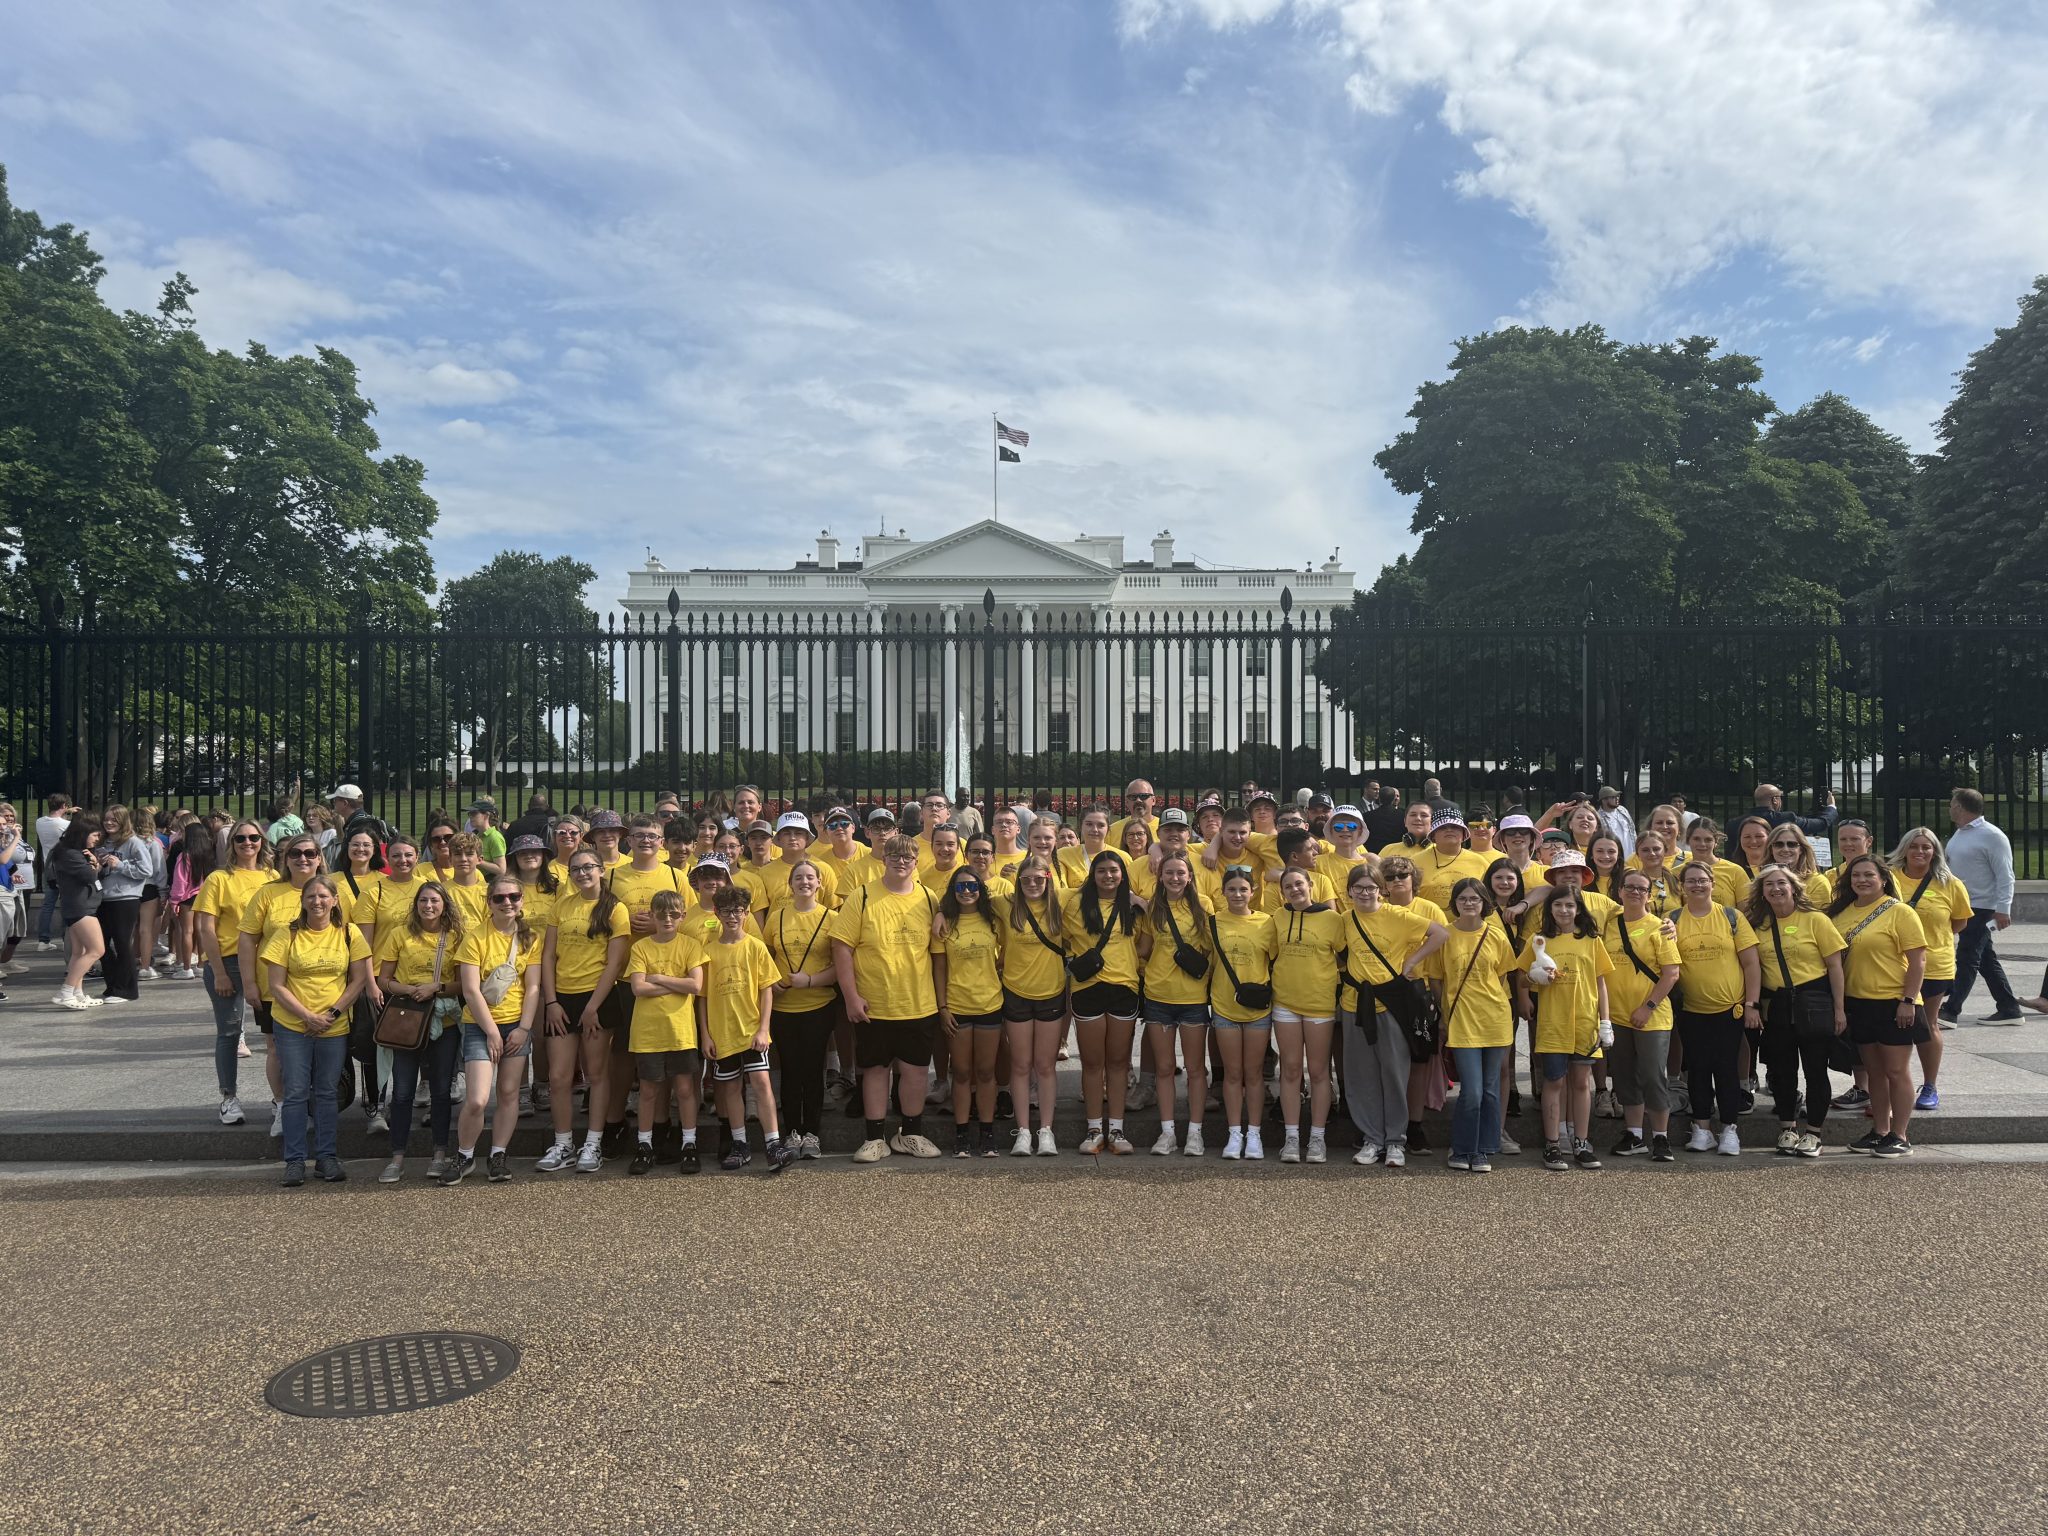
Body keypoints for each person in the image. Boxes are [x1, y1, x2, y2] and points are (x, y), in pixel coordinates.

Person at [831, 834, 944, 1163]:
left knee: (916, 1072)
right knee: (875, 1070)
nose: (900, 861)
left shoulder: (928, 897)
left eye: (908, 857)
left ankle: (910, 1133)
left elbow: (937, 955)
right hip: (875, 1002)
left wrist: (940, 1002)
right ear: (884, 858)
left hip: (917, 1002)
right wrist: (851, 997)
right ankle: (875, 1137)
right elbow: (841, 946)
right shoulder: (862, 895)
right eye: (894, 855)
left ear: (916, 862)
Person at [263, 874, 371, 1185]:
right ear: (303, 901)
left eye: (324, 896)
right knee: (295, 1092)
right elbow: (276, 985)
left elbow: (358, 980)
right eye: (311, 896)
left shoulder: (349, 933)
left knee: (326, 1093)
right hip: (293, 1024)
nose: (317, 901)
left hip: (333, 1025)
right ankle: (294, 1160)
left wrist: (332, 1013)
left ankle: (326, 1157)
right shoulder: (287, 935)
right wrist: (309, 1016)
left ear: (335, 900)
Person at [1339, 865, 1447, 1169]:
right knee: (1362, 1075)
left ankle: (1396, 1140)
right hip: (1355, 1003)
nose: (1364, 892)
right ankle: (1372, 1137)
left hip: (1391, 1005)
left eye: (1370, 887)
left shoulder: (1396, 916)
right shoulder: (1345, 920)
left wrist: (1411, 961)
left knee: (1395, 1074)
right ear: (1349, 891)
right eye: (1357, 887)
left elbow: (1440, 933)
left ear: (1380, 890)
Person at [442, 874, 544, 1185]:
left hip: (516, 1022)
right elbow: (471, 990)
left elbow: (534, 986)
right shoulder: (475, 937)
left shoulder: (530, 938)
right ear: (489, 903)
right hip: (480, 1024)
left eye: (513, 897)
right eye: (499, 898)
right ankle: (465, 1154)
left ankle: (498, 1153)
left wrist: (524, 1028)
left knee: (510, 1092)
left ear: (521, 901)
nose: (507, 903)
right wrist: (491, 1031)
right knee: (476, 1099)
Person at [535, 848, 632, 1173]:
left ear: (601, 870)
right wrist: (550, 1002)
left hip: (598, 998)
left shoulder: (615, 909)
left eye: (588, 867)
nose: (581, 873)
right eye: (575, 869)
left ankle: (593, 1142)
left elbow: (615, 962)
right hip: (561, 998)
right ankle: (563, 1144)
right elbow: (548, 956)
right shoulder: (562, 905)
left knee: (596, 1074)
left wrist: (593, 1007)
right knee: (559, 1076)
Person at [1829, 855, 1930, 1156]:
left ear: (1883, 879)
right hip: (1859, 1002)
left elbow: (1918, 960)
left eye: (1868, 875)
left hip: (1894, 1001)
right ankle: (1880, 1130)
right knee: (1874, 1071)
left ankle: (1900, 1134)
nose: (1861, 880)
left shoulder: (1900, 912)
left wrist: (1908, 1000)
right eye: (1856, 875)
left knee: (1896, 1070)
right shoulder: (1841, 913)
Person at [1745, 866, 1846, 1159]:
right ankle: (1788, 1127)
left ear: (1794, 887)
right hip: (1777, 1006)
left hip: (1813, 1002)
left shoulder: (1815, 920)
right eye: (1769, 885)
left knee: (1815, 1070)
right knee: (1781, 1070)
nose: (1776, 889)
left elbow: (1835, 967)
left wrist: (1839, 1009)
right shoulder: (1758, 925)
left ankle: (1814, 1131)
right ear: (1762, 892)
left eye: (1781, 883)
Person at [1517, 882, 1614, 1172]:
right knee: (1554, 1081)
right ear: (1550, 909)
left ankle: (1581, 1142)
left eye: (1570, 905)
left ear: (1578, 909)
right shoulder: (1539, 940)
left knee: (1581, 1081)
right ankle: (1552, 1143)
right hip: (1553, 1022)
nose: (1564, 910)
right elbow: (1521, 978)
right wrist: (1535, 978)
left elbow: (1601, 982)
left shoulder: (1591, 940)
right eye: (1558, 905)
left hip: (1584, 1021)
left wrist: (1605, 1021)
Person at [373, 880, 466, 1183]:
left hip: (445, 1022)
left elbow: (464, 984)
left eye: (434, 901)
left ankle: (439, 1153)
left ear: (444, 905)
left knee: (440, 1091)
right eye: (423, 901)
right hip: (408, 1017)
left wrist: (435, 988)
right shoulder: (399, 934)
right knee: (402, 1092)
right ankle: (397, 1157)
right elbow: (384, 980)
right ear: (416, 905)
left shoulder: (456, 937)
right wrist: (411, 990)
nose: (428, 906)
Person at [1671, 860, 1761, 1157]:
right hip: (1692, 1010)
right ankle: (1701, 1129)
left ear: (1712, 883)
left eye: (1702, 880)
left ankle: (1729, 1130)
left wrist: (1751, 1004)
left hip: (1729, 1009)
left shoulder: (1732, 917)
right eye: (1691, 881)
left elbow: (1751, 964)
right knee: (1697, 1070)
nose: (1697, 885)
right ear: (1682, 887)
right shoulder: (1672, 920)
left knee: (1726, 1070)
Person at [701, 884, 792, 1171]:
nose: (732, 917)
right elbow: (701, 998)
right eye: (726, 911)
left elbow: (767, 990)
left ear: (747, 912)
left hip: (752, 1030)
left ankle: (773, 1144)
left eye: (738, 911)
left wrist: (764, 1029)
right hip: (722, 1032)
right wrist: (705, 1034)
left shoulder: (755, 947)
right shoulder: (707, 952)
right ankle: (740, 1144)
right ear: (716, 913)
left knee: (762, 1084)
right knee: (730, 1089)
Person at [1433, 877, 1518, 1171]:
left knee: (1492, 1088)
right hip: (1461, 1020)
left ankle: (1484, 1147)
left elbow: (1505, 975)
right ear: (1454, 903)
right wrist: (1443, 1015)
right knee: (1472, 1090)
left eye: (1475, 899)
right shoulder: (1444, 935)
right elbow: (1435, 979)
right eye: (1463, 899)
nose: (1469, 903)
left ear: (1484, 903)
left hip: (1494, 1018)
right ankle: (1462, 1148)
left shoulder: (1496, 935)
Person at [1064, 849, 1143, 1155]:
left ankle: (1117, 1129)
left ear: (1123, 874)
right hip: (1088, 988)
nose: (1108, 876)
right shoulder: (1075, 904)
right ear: (1092, 875)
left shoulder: (1134, 906)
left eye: (1114, 870)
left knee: (1119, 1062)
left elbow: (1145, 943)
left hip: (1124, 987)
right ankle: (1095, 1128)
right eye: (1102, 871)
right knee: (1093, 1062)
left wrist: (1143, 901)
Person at [193, 820, 273, 1121]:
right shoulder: (219, 878)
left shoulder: (273, 876)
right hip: (227, 960)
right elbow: (205, 927)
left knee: (275, 1035)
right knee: (229, 1031)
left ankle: (281, 1098)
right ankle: (229, 1096)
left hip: (265, 963)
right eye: (241, 838)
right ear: (232, 843)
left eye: (254, 837)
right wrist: (219, 971)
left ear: (262, 841)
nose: (248, 843)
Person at [1888, 826, 1973, 1110]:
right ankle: (1896, 1085)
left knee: (1926, 1025)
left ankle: (1930, 1085)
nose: (1920, 852)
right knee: (1893, 1027)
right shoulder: (1891, 878)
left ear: (1935, 851)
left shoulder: (1950, 883)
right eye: (1914, 846)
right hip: (1892, 965)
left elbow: (1959, 922)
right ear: (1904, 849)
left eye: (1926, 847)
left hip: (1934, 965)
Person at [624, 889, 706, 1175]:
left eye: (674, 913)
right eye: (661, 913)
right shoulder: (641, 947)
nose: (667, 918)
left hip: (681, 1031)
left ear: (683, 916)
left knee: (684, 1089)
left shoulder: (691, 945)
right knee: (648, 1090)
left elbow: (696, 985)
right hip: (647, 1032)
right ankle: (645, 1145)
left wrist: (657, 978)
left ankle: (689, 1143)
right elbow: (638, 988)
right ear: (653, 915)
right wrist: (676, 982)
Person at [1135, 853, 1212, 1156]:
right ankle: (1167, 1132)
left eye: (1181, 873)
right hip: (1158, 996)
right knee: (1165, 1068)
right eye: (1169, 873)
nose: (1175, 878)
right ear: (1161, 876)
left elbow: (1210, 948)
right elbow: (1144, 948)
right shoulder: (1153, 907)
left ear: (1190, 876)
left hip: (1192, 997)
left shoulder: (1203, 905)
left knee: (1195, 1069)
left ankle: (1195, 1132)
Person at [1603, 869, 1682, 1161]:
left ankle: (1661, 1137)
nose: (1635, 893)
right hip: (1617, 1016)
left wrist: (1647, 1007)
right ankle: (1635, 1134)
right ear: (1620, 892)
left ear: (1649, 895)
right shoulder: (1609, 925)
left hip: (1652, 1015)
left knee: (1652, 1075)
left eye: (1642, 889)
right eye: (1630, 887)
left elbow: (1671, 973)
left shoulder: (1659, 927)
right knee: (1624, 1077)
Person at [765, 859, 837, 1159]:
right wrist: (773, 981)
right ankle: (792, 1132)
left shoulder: (832, 918)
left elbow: (842, 968)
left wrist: (810, 981)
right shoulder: (776, 917)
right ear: (790, 883)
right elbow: (763, 959)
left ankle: (812, 1133)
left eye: (810, 877)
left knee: (812, 1070)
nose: (804, 882)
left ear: (819, 883)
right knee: (791, 1071)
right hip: (784, 1008)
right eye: (799, 877)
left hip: (818, 1005)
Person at [1000, 854, 1069, 1155]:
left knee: (1045, 1065)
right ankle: (1024, 1131)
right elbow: (964, 899)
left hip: (1051, 992)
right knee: (1020, 1064)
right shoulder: (1005, 904)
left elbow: (1100, 888)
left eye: (1038, 879)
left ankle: (1047, 1130)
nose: (1032, 884)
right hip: (1016, 991)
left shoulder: (1061, 903)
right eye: (1025, 879)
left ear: (1048, 879)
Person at [934, 865, 1004, 1157]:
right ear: (952, 891)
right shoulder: (944, 923)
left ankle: (987, 1134)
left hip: (990, 1004)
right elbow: (939, 969)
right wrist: (942, 1007)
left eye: (972, 886)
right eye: (960, 887)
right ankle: (962, 1134)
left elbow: (1008, 954)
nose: (966, 892)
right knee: (961, 1073)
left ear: (981, 889)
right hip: (957, 1006)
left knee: (987, 1073)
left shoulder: (993, 920)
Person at [1207, 865, 1276, 1160]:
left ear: (1253, 891)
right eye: (1232, 889)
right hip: (1224, 1005)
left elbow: (1276, 961)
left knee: (1254, 1074)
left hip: (1257, 1009)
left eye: (1243, 889)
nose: (1237, 894)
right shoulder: (1212, 922)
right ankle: (1235, 1133)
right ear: (1223, 892)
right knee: (1232, 1074)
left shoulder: (1266, 923)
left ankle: (1255, 1133)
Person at [1943, 788, 2020, 1023]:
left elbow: (2006, 875)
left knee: (1967, 957)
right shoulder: (1961, 833)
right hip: (1965, 905)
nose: (1949, 808)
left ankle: (1951, 1010)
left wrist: (2003, 909)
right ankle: (2009, 1008)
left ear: (1959, 806)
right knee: (1986, 959)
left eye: (1952, 803)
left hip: (1983, 907)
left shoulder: (1992, 836)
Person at [49, 813, 111, 1009]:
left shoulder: (76, 851)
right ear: (82, 833)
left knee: (80, 952)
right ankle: (66, 991)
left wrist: (96, 865)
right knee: (96, 950)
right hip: (80, 907)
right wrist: (96, 865)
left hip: (81, 905)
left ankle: (78, 992)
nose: (97, 839)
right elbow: (88, 876)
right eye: (94, 835)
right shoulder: (70, 853)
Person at [94, 805, 154, 1002]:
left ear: (123, 821)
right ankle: (112, 985)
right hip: (104, 897)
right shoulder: (102, 843)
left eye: (114, 819)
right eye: (107, 819)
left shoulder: (133, 842)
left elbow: (146, 870)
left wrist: (120, 865)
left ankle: (127, 989)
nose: (109, 823)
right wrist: (100, 867)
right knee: (100, 944)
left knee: (122, 942)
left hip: (126, 898)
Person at [33, 794, 75, 950]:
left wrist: (66, 810)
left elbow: (55, 817)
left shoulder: (39, 822)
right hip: (65, 867)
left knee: (48, 904)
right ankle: (66, 938)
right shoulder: (66, 824)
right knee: (67, 903)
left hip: (48, 866)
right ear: (64, 806)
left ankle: (43, 940)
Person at [1763, 824, 1834, 907]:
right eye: (1778, 844)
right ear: (1771, 849)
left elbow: (1819, 918)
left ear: (1801, 850)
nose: (1785, 849)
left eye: (1792, 844)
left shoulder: (1818, 883)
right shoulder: (1762, 880)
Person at [1751, 782, 1839, 836]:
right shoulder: (1785, 818)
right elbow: (1820, 823)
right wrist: (1831, 807)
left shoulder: (1740, 822)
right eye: (1780, 797)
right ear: (1775, 800)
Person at [1593, 787, 1636, 857]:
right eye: (1613, 797)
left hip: (1632, 854)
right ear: (1604, 800)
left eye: (1617, 796)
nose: (1617, 798)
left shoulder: (1623, 810)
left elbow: (1633, 830)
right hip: (1615, 856)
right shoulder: (1598, 817)